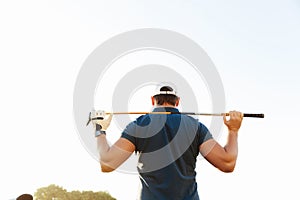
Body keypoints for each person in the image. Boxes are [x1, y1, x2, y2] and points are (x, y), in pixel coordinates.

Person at [92, 83, 243, 200]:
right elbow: (227, 163)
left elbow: (107, 163)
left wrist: (100, 129)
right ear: (177, 102)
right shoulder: (196, 128)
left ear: (153, 100)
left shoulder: (139, 126)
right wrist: (233, 130)